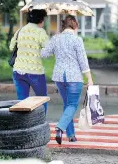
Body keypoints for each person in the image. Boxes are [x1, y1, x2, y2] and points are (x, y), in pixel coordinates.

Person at [41, 15, 93, 144]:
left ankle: (71, 136)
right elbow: (83, 61)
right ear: (75, 25)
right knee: (72, 105)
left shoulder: (56, 38)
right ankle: (60, 127)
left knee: (67, 105)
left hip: (59, 77)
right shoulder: (77, 40)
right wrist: (89, 79)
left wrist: (44, 43)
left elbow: (44, 54)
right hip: (74, 77)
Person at [9, 9, 49, 113]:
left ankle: (24, 126)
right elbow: (48, 50)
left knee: (22, 103)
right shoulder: (40, 32)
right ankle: (41, 124)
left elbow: (11, 47)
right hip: (35, 72)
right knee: (42, 100)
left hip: (18, 71)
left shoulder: (20, 30)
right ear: (41, 19)